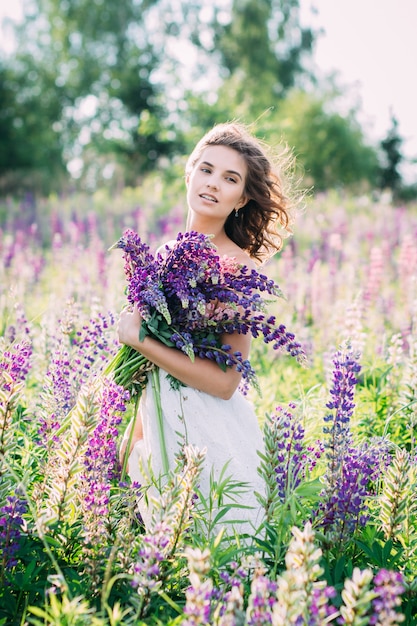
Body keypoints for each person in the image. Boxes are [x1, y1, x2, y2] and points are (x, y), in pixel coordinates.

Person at [117, 121, 295, 533]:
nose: (213, 184)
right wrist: (131, 441)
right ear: (189, 173)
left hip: (206, 432)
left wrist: (138, 339)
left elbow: (226, 382)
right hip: (157, 422)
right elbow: (149, 374)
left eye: (230, 178)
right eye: (207, 169)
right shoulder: (163, 254)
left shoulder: (237, 268)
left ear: (242, 198)